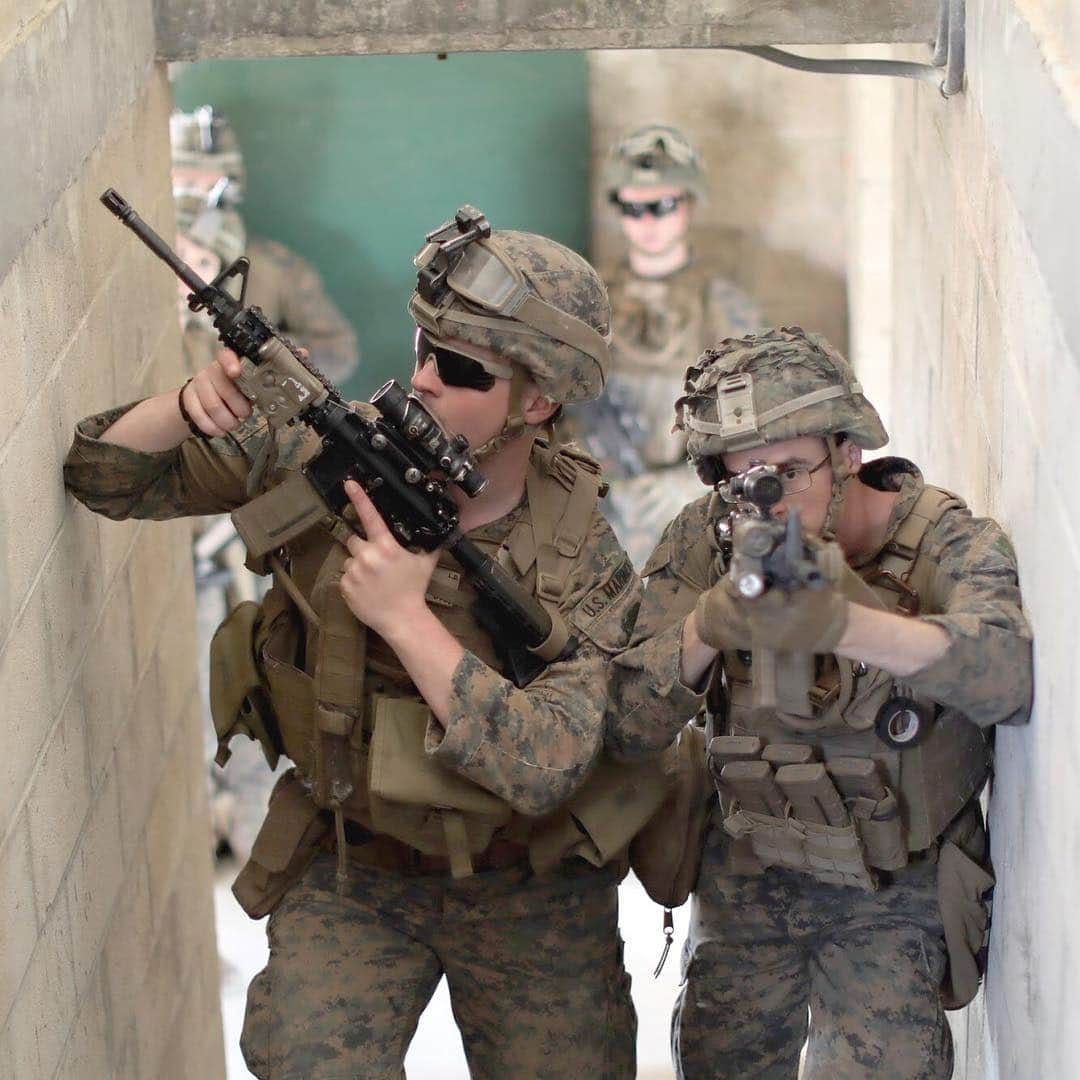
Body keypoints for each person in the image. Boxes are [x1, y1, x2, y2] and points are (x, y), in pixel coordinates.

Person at [63, 211, 661, 1079]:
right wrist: (186, 407)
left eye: (459, 369)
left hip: (526, 887)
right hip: (355, 864)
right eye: (424, 347)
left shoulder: (584, 556)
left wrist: (404, 618)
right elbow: (100, 477)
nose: (421, 378)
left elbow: (549, 763)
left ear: (538, 400)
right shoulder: (325, 454)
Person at [607, 327, 1033, 1078]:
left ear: (848, 452)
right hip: (747, 873)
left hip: (890, 892)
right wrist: (707, 627)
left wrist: (846, 624)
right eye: (742, 483)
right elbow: (627, 720)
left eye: (790, 473)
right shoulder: (710, 541)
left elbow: (1004, 676)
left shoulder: (942, 540)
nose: (769, 504)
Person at [567, 124, 762, 569]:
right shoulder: (588, 298)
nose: (648, 222)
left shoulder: (725, 304)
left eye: (663, 206)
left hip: (696, 510)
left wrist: (693, 484)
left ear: (691, 203)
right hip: (600, 508)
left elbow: (758, 422)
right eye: (632, 209)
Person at [171, 106, 360, 384]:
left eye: (211, 188)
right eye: (183, 184)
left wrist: (259, 351)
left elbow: (339, 353)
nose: (196, 199)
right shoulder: (138, 260)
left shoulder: (274, 266)